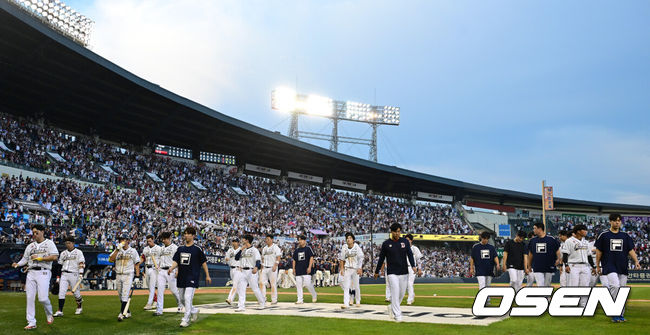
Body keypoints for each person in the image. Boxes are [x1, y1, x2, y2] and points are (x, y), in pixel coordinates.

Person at [595, 214, 641, 323]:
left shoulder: (625, 236)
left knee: (622, 290)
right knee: (615, 286)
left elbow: (630, 250)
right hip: (609, 265)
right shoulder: (604, 235)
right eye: (615, 221)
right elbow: (598, 251)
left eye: (619, 221)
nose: (617, 223)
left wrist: (636, 261)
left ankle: (620, 314)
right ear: (610, 222)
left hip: (622, 265)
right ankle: (614, 312)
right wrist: (597, 265)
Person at [12, 224, 59, 330]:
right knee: (29, 298)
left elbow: (55, 257)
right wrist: (18, 264)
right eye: (33, 233)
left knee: (43, 298)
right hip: (31, 273)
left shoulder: (49, 243)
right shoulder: (30, 246)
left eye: (36, 232)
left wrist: (40, 258)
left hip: (44, 272)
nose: (34, 235)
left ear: (42, 232)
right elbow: (25, 259)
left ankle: (49, 313)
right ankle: (31, 322)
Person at [168, 226, 211, 327]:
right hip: (181, 276)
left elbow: (204, 263)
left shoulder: (197, 249)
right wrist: (171, 268)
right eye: (185, 234)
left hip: (192, 276)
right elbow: (176, 261)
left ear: (193, 236)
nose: (186, 235)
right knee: (182, 299)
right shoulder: (180, 249)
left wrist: (207, 275)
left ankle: (186, 319)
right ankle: (194, 310)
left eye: (188, 234)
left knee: (187, 298)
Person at [374, 223, 416, 322]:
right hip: (392, 273)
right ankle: (398, 316)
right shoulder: (386, 244)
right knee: (395, 291)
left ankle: (391, 307)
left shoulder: (405, 241)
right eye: (395, 231)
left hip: (404, 272)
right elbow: (381, 259)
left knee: (401, 294)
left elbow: (409, 254)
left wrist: (413, 266)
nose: (397, 233)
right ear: (391, 232)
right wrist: (377, 271)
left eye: (399, 231)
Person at [109, 236, 140, 321]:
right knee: (120, 295)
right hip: (118, 274)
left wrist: (137, 276)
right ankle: (128, 311)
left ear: (128, 241)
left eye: (123, 240)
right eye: (120, 240)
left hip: (128, 274)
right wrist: (117, 249)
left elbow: (137, 264)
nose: (122, 242)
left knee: (125, 294)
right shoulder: (118, 250)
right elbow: (111, 259)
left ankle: (121, 313)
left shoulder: (133, 251)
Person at [563, 224, 595, 307]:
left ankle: (583, 305)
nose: (586, 231)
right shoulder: (569, 241)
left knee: (585, 286)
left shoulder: (586, 242)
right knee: (573, 286)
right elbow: (565, 254)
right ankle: (572, 304)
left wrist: (593, 266)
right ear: (578, 231)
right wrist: (566, 265)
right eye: (584, 230)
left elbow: (589, 255)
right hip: (573, 265)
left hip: (585, 266)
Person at [54, 236, 85, 317]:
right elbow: (59, 266)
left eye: (69, 243)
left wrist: (81, 274)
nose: (67, 244)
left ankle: (79, 307)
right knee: (61, 292)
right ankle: (60, 310)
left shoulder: (78, 252)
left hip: (74, 274)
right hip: (64, 274)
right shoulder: (63, 253)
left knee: (76, 293)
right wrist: (58, 277)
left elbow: (81, 263)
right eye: (66, 243)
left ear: (73, 243)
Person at [234, 234, 266, 312]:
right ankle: (241, 306)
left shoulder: (254, 250)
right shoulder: (243, 250)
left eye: (244, 239)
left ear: (247, 240)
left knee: (255, 288)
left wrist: (256, 267)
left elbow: (258, 260)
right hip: (243, 271)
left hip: (251, 271)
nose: (242, 240)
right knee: (241, 289)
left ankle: (262, 303)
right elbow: (236, 258)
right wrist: (241, 249)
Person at [155, 232, 183, 316]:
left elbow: (178, 260)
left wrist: (178, 270)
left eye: (165, 239)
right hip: (162, 271)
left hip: (171, 270)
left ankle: (180, 304)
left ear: (169, 238)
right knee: (160, 290)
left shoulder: (175, 248)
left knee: (174, 290)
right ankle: (159, 310)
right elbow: (160, 259)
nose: (163, 240)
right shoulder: (161, 248)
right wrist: (158, 267)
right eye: (162, 239)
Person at [470, 232, 499, 303]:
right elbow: (472, 258)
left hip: (489, 269)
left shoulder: (491, 247)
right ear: (481, 238)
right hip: (480, 269)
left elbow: (495, 256)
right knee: (482, 285)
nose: (486, 240)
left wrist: (498, 264)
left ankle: (487, 299)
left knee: (488, 285)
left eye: (487, 239)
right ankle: (482, 300)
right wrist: (471, 268)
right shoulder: (476, 247)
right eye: (484, 239)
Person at [339, 232, 364, 309]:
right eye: (347, 238)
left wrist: (360, 268)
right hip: (347, 268)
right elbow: (342, 259)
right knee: (346, 286)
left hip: (355, 269)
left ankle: (358, 301)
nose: (348, 239)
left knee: (356, 286)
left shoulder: (356, 247)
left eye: (350, 238)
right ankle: (346, 303)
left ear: (353, 240)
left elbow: (361, 257)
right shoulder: (344, 247)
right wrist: (342, 269)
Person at [293, 235, 318, 304]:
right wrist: (293, 268)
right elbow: (294, 260)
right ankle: (300, 299)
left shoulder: (308, 248)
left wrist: (310, 267)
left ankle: (314, 294)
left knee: (308, 284)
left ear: (304, 241)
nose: (299, 241)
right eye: (299, 240)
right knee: (298, 285)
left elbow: (311, 258)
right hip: (298, 269)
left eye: (301, 240)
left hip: (306, 269)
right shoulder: (296, 250)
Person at [260, 234, 282, 304]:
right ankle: (263, 298)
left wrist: (275, 265)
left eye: (268, 239)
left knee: (273, 284)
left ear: (272, 240)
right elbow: (262, 258)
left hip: (272, 267)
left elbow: (278, 256)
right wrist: (262, 266)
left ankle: (274, 299)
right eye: (266, 239)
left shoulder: (275, 247)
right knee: (261, 283)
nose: (266, 240)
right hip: (265, 267)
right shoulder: (264, 248)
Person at [142, 234, 162, 310]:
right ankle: (156, 300)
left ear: (153, 239)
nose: (149, 242)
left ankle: (149, 303)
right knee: (149, 286)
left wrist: (159, 266)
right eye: (147, 241)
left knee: (152, 286)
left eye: (150, 241)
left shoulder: (158, 248)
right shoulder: (145, 249)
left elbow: (162, 258)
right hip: (147, 267)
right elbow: (143, 258)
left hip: (154, 268)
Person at [405, 234, 423, 305]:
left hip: (412, 268)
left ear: (411, 240)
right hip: (403, 268)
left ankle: (409, 299)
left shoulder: (415, 248)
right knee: (405, 285)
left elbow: (419, 260)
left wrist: (419, 269)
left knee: (410, 283)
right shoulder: (402, 248)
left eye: (408, 240)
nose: (407, 241)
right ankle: (412, 294)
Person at [225, 238, 241, 305]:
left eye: (235, 242)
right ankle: (241, 299)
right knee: (238, 286)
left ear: (238, 243)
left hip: (238, 269)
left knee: (235, 284)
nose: (234, 243)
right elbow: (226, 259)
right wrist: (227, 260)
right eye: (233, 241)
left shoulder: (241, 250)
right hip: (231, 269)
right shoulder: (230, 250)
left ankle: (230, 299)